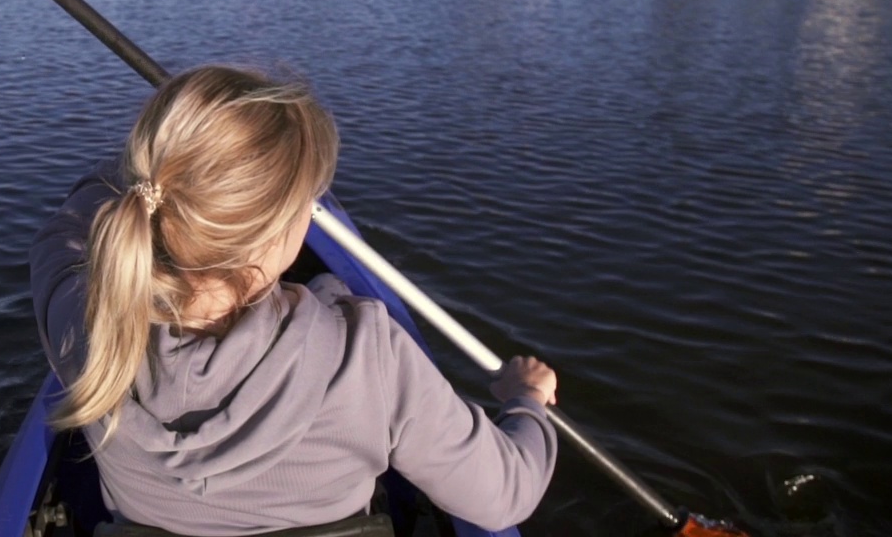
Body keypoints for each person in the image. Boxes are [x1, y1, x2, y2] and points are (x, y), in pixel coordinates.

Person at [31, 65, 558, 537]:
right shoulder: (367, 354)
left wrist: (162, 166)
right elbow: (505, 496)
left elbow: (68, 227)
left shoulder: (85, 322)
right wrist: (527, 401)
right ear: (282, 234)